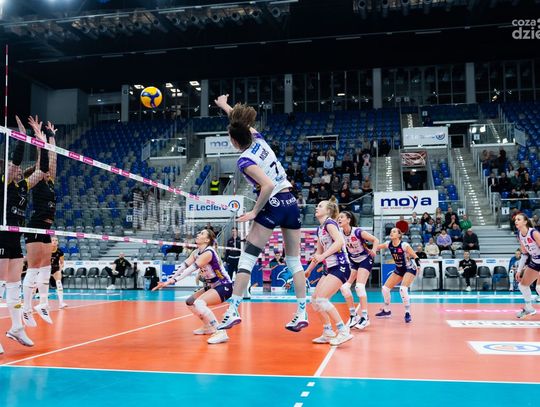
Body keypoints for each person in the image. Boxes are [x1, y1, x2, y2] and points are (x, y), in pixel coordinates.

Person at [213, 94, 308, 337]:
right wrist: (225, 106)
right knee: (294, 262)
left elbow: (267, 186)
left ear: (234, 141)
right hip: (290, 202)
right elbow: (241, 123)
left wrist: (255, 211)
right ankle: (301, 313)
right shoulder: (258, 138)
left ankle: (233, 310)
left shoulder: (245, 160)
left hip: (272, 204)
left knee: (247, 260)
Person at [0, 116, 44, 350]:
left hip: (14, 240)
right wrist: (21, 137)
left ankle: (17, 327)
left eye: (16, 167)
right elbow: (16, 160)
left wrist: (41, 141)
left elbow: (43, 169)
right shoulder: (5, 184)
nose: (14, 168)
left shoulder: (24, 186)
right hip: (0, 236)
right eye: (11, 167)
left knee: (14, 287)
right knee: (0, 286)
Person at [152, 229, 233, 344]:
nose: (198, 234)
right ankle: (208, 326)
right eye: (199, 233)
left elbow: (190, 270)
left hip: (224, 285)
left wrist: (173, 281)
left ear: (207, 240)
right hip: (211, 285)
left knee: (199, 303)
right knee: (190, 302)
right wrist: (168, 280)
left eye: (202, 233)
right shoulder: (196, 252)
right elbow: (183, 266)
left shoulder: (208, 252)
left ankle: (220, 331)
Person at [22, 116, 58, 327]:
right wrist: (39, 139)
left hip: (46, 227)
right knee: (34, 267)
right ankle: (26, 308)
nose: (49, 170)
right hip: (35, 226)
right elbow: (44, 159)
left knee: (46, 266)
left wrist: (51, 137)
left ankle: (42, 304)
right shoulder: (37, 181)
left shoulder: (50, 181)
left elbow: (54, 158)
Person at [304, 199, 353, 346]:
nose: (316, 208)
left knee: (322, 299)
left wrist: (323, 256)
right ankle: (328, 332)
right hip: (330, 268)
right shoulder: (320, 229)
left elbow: (340, 242)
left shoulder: (330, 223)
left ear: (328, 210)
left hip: (341, 266)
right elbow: (318, 253)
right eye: (317, 206)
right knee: (314, 299)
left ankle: (343, 331)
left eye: (320, 206)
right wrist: (309, 270)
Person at [337, 211, 379, 330]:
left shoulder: (357, 231)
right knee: (344, 288)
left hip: (365, 259)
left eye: (342, 217)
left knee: (359, 287)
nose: (339, 219)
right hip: (354, 260)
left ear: (348, 220)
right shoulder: (339, 233)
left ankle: (365, 317)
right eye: (338, 217)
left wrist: (374, 250)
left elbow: (375, 240)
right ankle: (353, 316)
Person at [376, 228, 420, 323]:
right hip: (399, 269)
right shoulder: (388, 244)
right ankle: (386, 310)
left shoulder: (404, 245)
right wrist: (365, 247)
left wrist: (419, 266)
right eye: (391, 231)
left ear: (399, 235)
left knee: (403, 289)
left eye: (394, 231)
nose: (391, 233)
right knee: (385, 289)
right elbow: (377, 247)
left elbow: (415, 256)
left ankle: (407, 313)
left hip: (409, 268)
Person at [514, 213, 540, 318]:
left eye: (519, 219)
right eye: (515, 219)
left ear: (525, 222)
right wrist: (519, 270)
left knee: (539, 288)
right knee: (522, 286)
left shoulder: (534, 233)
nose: (516, 221)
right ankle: (529, 309)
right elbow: (524, 254)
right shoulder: (520, 235)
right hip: (535, 262)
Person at [50, 237, 67, 308]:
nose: (54, 241)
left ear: (58, 242)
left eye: (56, 240)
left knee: (59, 283)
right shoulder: (46, 250)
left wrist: (60, 268)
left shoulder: (60, 251)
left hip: (55, 269)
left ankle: (61, 303)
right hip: (46, 269)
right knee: (39, 285)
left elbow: (62, 262)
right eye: (53, 240)